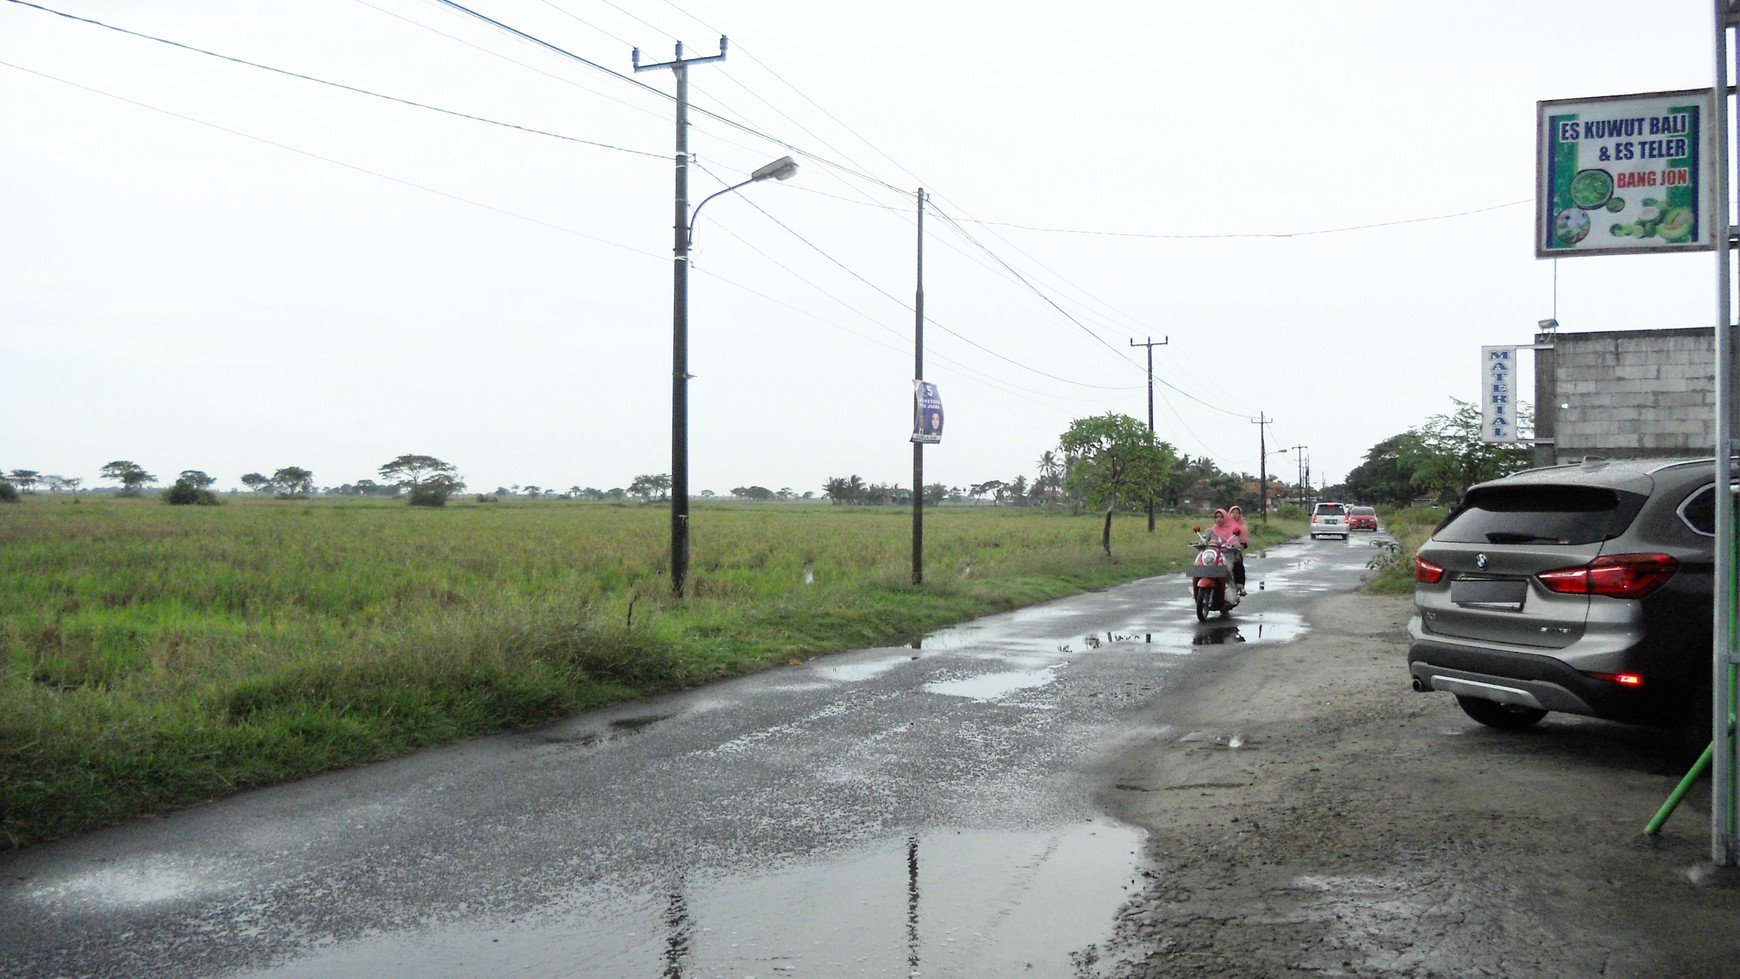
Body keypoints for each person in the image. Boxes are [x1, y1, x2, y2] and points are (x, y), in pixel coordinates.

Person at [1225, 505, 1250, 596]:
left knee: (1238, 564)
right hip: (1223, 551)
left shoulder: (1242, 527)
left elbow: (1244, 543)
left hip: (1235, 552)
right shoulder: (1224, 525)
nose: (1234, 515)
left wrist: (1239, 547)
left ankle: (1240, 586)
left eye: (1237, 513)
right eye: (1232, 512)